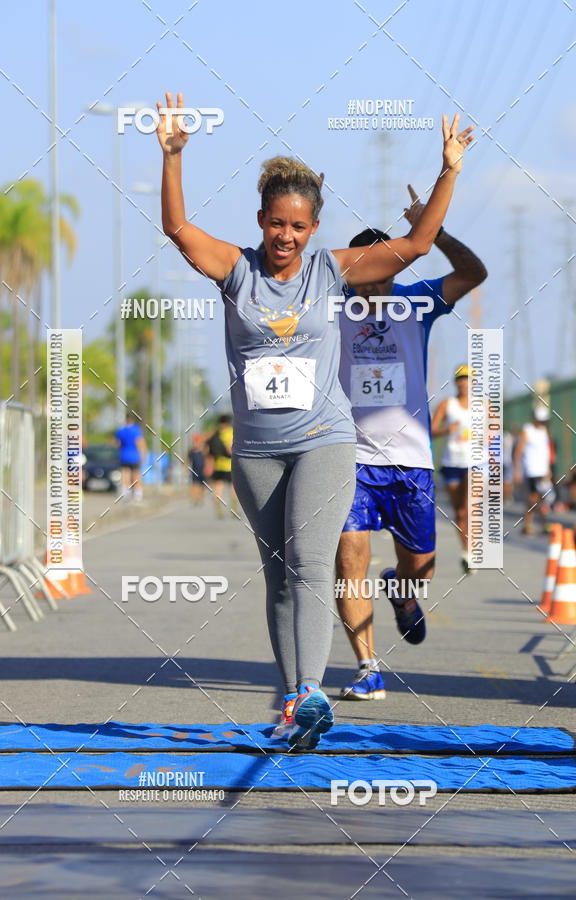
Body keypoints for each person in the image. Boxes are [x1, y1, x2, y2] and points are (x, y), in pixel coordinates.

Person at [157, 90, 472, 746]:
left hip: (325, 440)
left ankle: (308, 693)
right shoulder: (237, 272)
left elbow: (414, 245)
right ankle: (295, 702)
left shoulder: (332, 273)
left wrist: (449, 172)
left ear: (313, 229)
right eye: (277, 224)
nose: (286, 237)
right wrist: (173, 159)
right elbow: (179, 233)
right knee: (278, 575)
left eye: (299, 227)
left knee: (310, 562)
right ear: (262, 219)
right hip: (257, 451)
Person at [336, 194, 487, 701]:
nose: (375, 287)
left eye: (384, 275)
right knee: (348, 560)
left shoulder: (416, 302)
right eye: (364, 278)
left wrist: (433, 230)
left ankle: (402, 594)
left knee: (420, 568)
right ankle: (367, 667)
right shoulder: (330, 310)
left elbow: (474, 272)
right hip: (350, 459)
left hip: (412, 464)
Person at [431, 365, 474, 575]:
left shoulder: (483, 405)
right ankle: (467, 551)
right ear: (455, 382)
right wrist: (446, 430)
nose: (464, 382)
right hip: (451, 463)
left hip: (475, 462)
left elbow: (494, 431)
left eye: (467, 379)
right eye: (461, 379)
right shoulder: (447, 404)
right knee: (459, 512)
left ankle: (473, 548)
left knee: (468, 507)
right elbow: (431, 429)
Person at [513, 406, 552, 535]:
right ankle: (536, 524)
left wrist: (548, 469)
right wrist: (517, 470)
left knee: (540, 499)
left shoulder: (544, 431)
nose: (541, 423)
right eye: (539, 420)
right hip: (531, 470)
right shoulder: (527, 430)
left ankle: (533, 524)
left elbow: (546, 452)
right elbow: (518, 451)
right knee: (535, 498)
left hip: (542, 471)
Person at [206, 414, 238, 518]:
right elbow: (230, 449)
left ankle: (218, 509)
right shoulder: (230, 432)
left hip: (218, 464)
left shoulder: (215, 433)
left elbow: (208, 448)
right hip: (230, 465)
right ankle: (234, 510)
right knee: (233, 488)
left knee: (218, 487)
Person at [115, 413, 147, 502]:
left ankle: (126, 492)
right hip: (134, 456)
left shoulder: (121, 431)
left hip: (124, 455)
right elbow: (139, 442)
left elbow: (118, 444)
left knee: (125, 473)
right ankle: (137, 494)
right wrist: (143, 454)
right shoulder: (136, 430)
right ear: (132, 420)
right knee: (136, 474)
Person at [187, 433, 206, 505]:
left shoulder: (204, 450)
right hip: (194, 470)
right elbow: (188, 460)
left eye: (197, 442)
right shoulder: (191, 451)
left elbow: (207, 459)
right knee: (194, 485)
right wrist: (185, 467)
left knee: (202, 485)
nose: (195, 444)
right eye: (194, 442)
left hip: (203, 470)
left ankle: (201, 498)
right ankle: (194, 498)